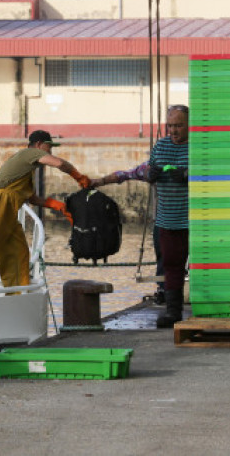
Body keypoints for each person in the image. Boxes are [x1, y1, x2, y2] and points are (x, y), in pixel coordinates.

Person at [0, 130, 91, 298]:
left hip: (8, 211)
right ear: (39, 144)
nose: (50, 151)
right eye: (49, 146)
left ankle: (16, 297)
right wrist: (78, 176)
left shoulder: (26, 167)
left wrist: (56, 205)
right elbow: (59, 163)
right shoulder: (30, 153)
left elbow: (30, 197)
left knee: (18, 253)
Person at [94, 105, 189, 327]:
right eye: (170, 126)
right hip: (168, 220)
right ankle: (173, 313)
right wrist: (150, 174)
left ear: (189, 125)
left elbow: (211, 172)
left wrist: (186, 174)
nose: (173, 131)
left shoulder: (199, 146)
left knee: (203, 265)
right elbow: (138, 172)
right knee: (171, 266)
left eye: (179, 126)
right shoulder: (161, 145)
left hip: (194, 221)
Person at [91, 160, 165, 304]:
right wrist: (100, 181)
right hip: (164, 222)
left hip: (185, 220)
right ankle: (164, 289)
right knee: (163, 255)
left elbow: (124, 175)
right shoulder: (151, 168)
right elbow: (124, 175)